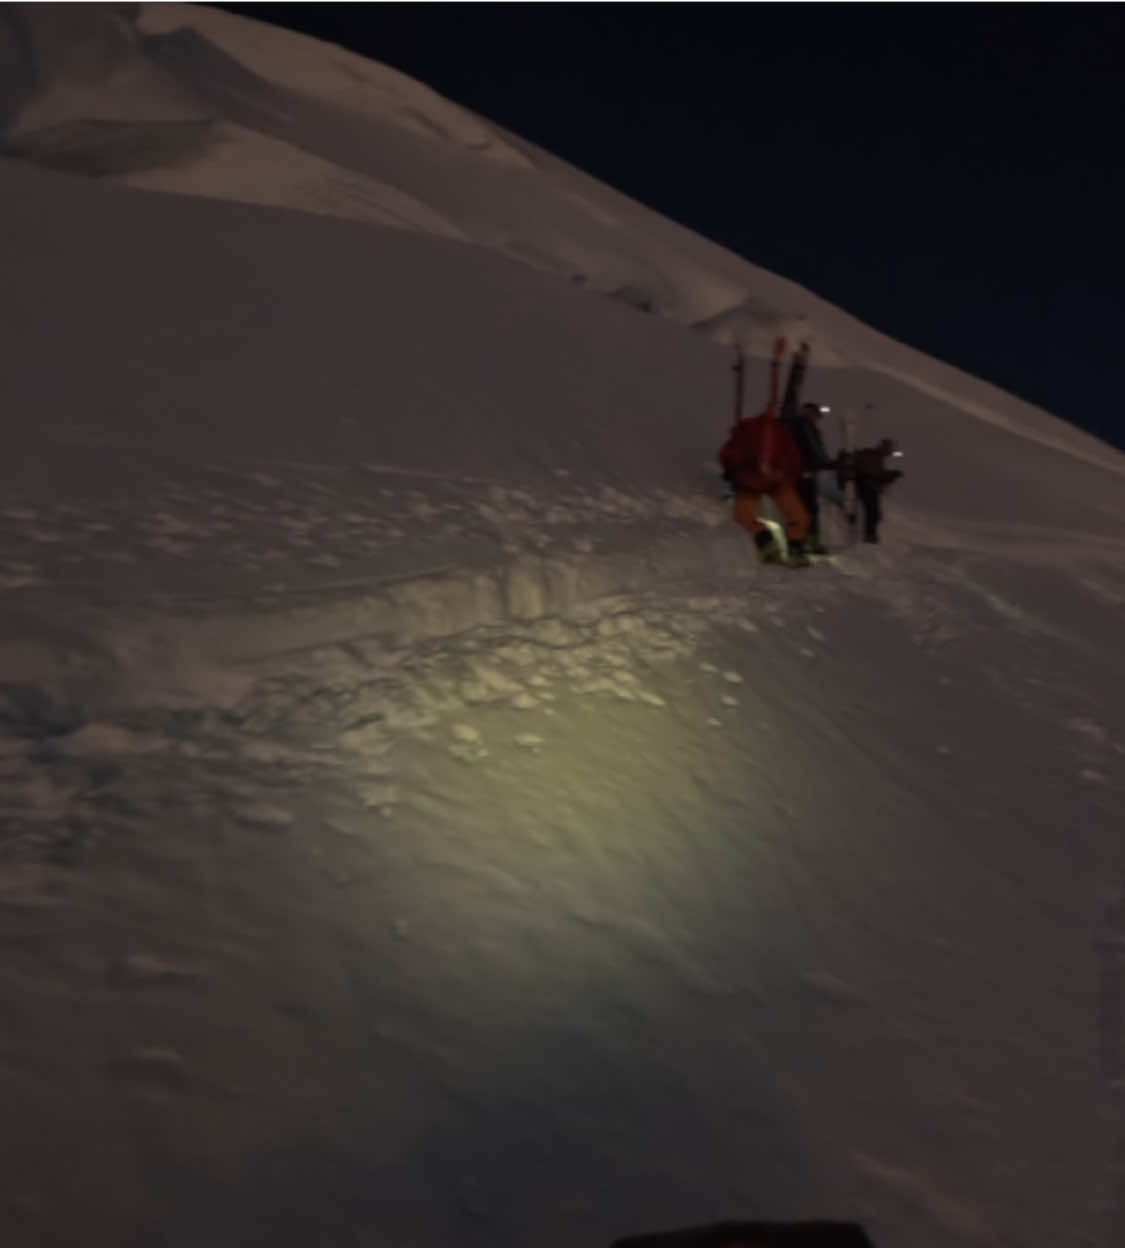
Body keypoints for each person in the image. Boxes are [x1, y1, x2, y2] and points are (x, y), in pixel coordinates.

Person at [719, 339, 811, 567]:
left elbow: (728, 453)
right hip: (772, 482)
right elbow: (794, 460)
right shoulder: (778, 431)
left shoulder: (747, 428)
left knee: (745, 518)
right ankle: (795, 551)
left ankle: (767, 545)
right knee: (799, 518)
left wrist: (731, 471)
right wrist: (787, 476)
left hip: (750, 480)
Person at [780, 399, 836, 554]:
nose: (817, 419)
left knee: (806, 509)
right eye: (816, 415)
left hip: (799, 475)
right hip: (801, 475)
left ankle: (804, 543)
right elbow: (815, 450)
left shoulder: (798, 427)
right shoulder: (804, 426)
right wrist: (828, 463)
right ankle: (799, 546)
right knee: (805, 510)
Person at [847, 437, 903, 542]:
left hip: (869, 487)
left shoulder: (876, 457)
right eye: (888, 450)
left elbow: (878, 474)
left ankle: (870, 534)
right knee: (872, 512)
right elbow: (875, 474)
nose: (888, 453)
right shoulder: (871, 455)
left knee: (875, 513)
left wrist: (890, 475)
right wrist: (890, 475)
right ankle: (869, 535)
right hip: (866, 487)